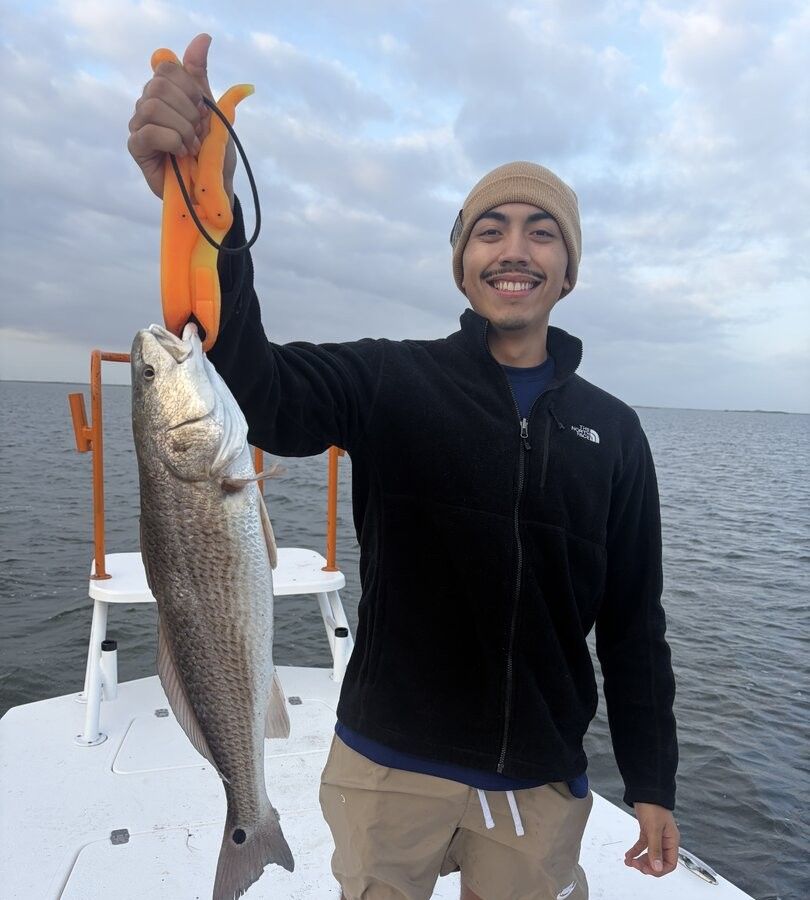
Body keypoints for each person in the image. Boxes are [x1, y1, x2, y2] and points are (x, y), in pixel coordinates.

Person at [128, 33, 680, 900]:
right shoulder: (390, 378)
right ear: (462, 263)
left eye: (542, 234)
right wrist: (209, 218)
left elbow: (634, 625)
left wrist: (651, 782)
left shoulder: (614, 432)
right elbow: (260, 391)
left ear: (567, 271)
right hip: (387, 763)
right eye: (490, 230)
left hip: (536, 779)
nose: (515, 249)